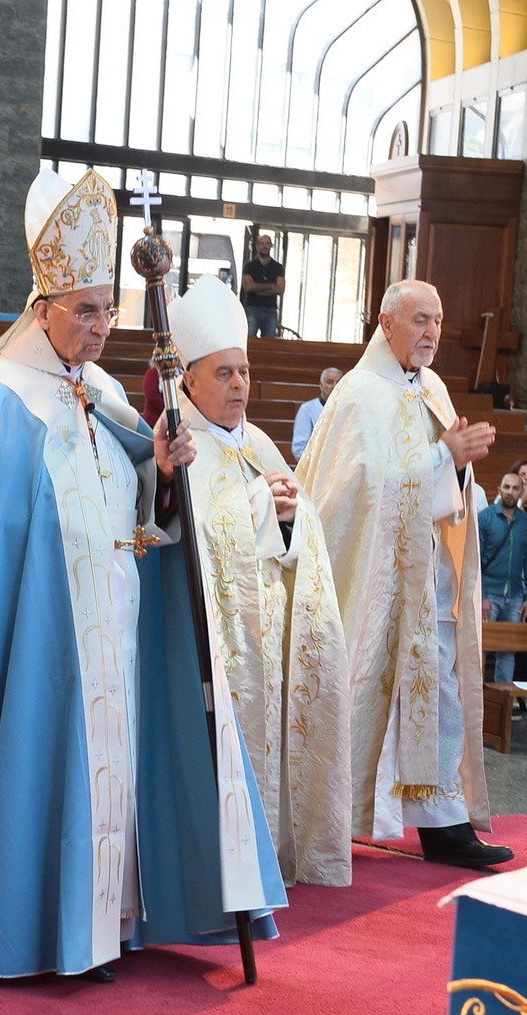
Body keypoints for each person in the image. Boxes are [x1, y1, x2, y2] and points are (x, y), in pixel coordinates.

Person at [0, 166, 284, 981]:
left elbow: (137, 510)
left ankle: (108, 919)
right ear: (42, 307)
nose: (99, 325)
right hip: (41, 637)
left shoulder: (109, 394)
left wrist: (157, 470)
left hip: (113, 634)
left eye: (106, 309)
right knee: (46, 761)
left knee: (113, 766)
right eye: (84, 311)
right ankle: (40, 924)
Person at [296, 278, 510, 868]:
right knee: (371, 693)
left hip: (432, 579)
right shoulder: (360, 395)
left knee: (438, 696)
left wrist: (460, 470)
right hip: (378, 585)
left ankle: (444, 823)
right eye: (420, 320)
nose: (432, 333)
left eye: (438, 321)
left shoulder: (434, 388)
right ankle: (342, 815)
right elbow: (356, 492)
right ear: (386, 324)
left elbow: (439, 480)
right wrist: (445, 457)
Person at [167, 273, 352, 886]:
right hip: (217, 643)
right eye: (224, 373)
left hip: (273, 636)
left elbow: (306, 530)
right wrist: (253, 509)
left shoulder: (263, 445)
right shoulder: (179, 449)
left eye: (244, 371)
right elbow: (181, 530)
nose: (240, 384)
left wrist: (297, 519)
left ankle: (272, 849)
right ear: (189, 380)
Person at [478, 471, 527, 687]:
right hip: (489, 594)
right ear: (499, 489)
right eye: (506, 487)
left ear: (521, 492)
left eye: (515, 488)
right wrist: (482, 596)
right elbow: (475, 563)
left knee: (508, 651)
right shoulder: (484, 517)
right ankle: (480, 701)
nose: (510, 492)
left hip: (515, 595)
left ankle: (502, 699)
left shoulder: (526, 521)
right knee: (480, 649)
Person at [289, 366, 343, 461]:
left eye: (338, 383)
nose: (334, 386)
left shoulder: (348, 410)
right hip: (315, 467)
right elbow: (299, 448)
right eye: (329, 382)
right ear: (321, 386)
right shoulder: (307, 409)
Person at [240, 231, 285, 338]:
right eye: (262, 243)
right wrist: (270, 286)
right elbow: (248, 287)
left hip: (271, 309)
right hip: (253, 308)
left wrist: (256, 287)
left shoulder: (278, 267)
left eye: (267, 243)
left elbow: (280, 290)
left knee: (269, 344)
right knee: (249, 341)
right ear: (257, 246)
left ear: (271, 246)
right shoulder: (249, 266)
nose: (265, 246)